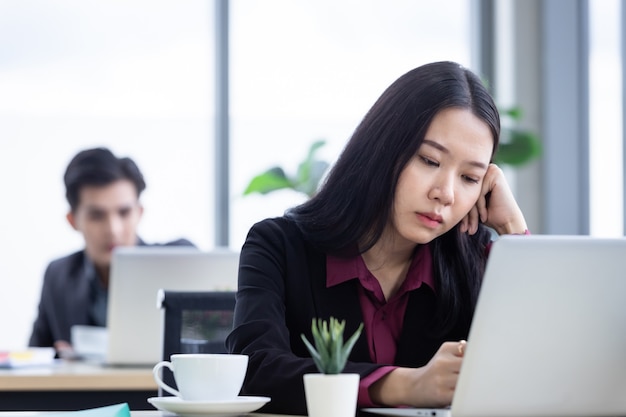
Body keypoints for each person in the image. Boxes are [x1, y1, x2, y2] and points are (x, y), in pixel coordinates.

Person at [225, 61, 529, 415]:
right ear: (383, 148)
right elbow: (255, 370)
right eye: (429, 160)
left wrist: (513, 230)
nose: (445, 193)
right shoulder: (278, 246)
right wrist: (406, 384)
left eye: (469, 177)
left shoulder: (475, 260)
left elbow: (541, 367)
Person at [29, 147, 194, 356]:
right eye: (97, 216)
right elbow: (33, 359)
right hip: (84, 388)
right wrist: (57, 356)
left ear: (139, 212)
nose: (113, 229)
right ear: (73, 221)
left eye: (124, 212)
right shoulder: (58, 275)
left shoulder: (180, 262)